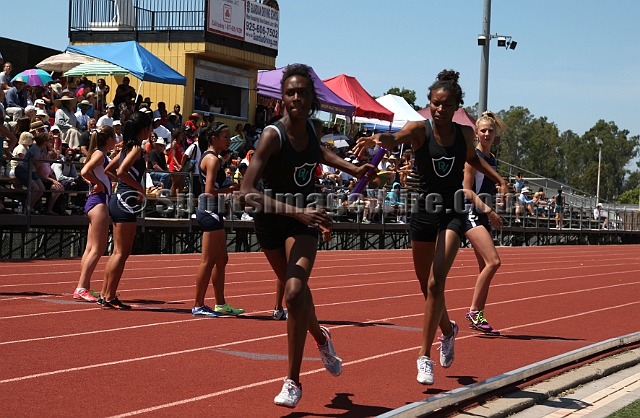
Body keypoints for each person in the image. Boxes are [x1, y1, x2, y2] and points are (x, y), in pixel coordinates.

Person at [354, 69, 508, 387]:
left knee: (437, 285)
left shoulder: (465, 134)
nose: (439, 109)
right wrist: (375, 139)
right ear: (430, 103)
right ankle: (449, 329)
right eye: (435, 103)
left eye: (446, 105)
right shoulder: (419, 129)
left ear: (456, 106)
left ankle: (424, 355)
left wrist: (497, 177)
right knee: (426, 287)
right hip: (423, 211)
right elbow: (393, 138)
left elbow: (472, 159)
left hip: (452, 212)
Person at [240, 64, 372, 408]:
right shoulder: (272, 135)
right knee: (296, 295)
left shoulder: (312, 129)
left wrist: (352, 168)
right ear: (282, 98)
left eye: (302, 92)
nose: (296, 98)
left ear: (312, 98)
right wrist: (296, 210)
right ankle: (320, 336)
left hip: (305, 219)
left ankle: (293, 381)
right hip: (272, 220)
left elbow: (320, 152)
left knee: (294, 293)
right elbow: (246, 192)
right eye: (290, 92)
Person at [191, 122, 244, 318]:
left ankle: (220, 303)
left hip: (215, 211)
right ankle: (198, 304)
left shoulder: (214, 159)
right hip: (210, 210)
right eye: (226, 136)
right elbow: (210, 190)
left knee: (222, 259)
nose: (229, 140)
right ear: (214, 138)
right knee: (208, 261)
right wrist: (231, 189)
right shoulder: (212, 160)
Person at [100, 111, 152, 309]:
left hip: (119, 198)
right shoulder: (136, 148)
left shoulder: (127, 148)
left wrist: (123, 186)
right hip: (125, 201)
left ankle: (106, 293)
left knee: (117, 252)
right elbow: (120, 172)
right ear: (144, 129)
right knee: (122, 252)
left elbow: (108, 170)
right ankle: (110, 296)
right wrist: (137, 188)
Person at [463, 110, 507, 336]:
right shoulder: (473, 157)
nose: (487, 133)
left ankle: (478, 314)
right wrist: (489, 210)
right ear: (476, 134)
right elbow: (467, 190)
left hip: (483, 213)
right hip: (471, 213)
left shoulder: (492, 159)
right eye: (483, 130)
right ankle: (473, 311)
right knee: (494, 262)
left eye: (491, 130)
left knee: (485, 267)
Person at [74, 126, 117, 302]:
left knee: (90, 248)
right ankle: (81, 287)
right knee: (98, 248)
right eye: (114, 137)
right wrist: (98, 184)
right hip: (99, 201)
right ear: (108, 140)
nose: (116, 140)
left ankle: (84, 286)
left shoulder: (100, 154)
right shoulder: (99, 154)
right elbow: (85, 172)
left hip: (96, 202)